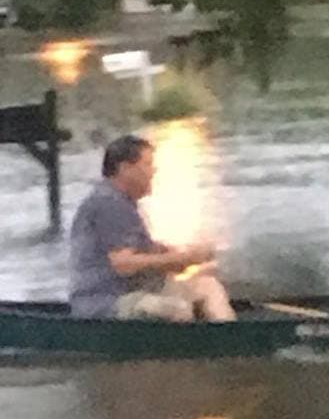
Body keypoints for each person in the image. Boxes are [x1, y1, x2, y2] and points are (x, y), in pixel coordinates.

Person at [69, 134, 236, 321]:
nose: (154, 171)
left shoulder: (122, 203)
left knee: (207, 286)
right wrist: (179, 259)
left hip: (136, 292)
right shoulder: (108, 203)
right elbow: (123, 264)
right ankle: (196, 348)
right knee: (176, 309)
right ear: (126, 169)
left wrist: (174, 254)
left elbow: (137, 250)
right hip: (105, 302)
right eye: (147, 164)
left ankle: (231, 336)